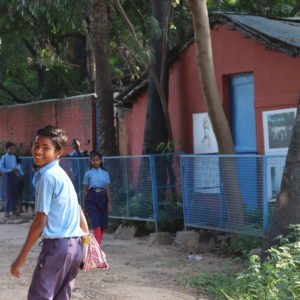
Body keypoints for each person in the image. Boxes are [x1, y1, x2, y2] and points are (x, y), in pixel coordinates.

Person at [10, 125, 89, 300]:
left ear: (58, 152)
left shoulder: (47, 177)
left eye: (46, 148)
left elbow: (40, 222)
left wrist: (21, 257)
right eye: (36, 145)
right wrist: (86, 243)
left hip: (57, 248)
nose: (38, 151)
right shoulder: (61, 174)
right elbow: (78, 209)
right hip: (73, 247)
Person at [83, 151, 112, 246]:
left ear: (100, 161)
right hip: (92, 198)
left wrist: (109, 202)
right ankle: (97, 246)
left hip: (102, 198)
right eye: (93, 160)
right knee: (96, 223)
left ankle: (97, 243)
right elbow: (86, 190)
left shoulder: (105, 174)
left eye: (97, 160)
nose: (95, 162)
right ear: (90, 161)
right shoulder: (88, 174)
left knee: (102, 223)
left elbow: (107, 188)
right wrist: (85, 204)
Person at [0, 142, 19, 217]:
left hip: (14, 175)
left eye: (13, 148)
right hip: (7, 176)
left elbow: (15, 165)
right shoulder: (4, 157)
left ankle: (14, 210)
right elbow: (1, 168)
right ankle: (7, 211)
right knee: (8, 193)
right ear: (7, 149)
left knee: (14, 193)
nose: (13, 150)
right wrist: (10, 170)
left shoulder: (14, 157)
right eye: (11, 148)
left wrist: (16, 169)